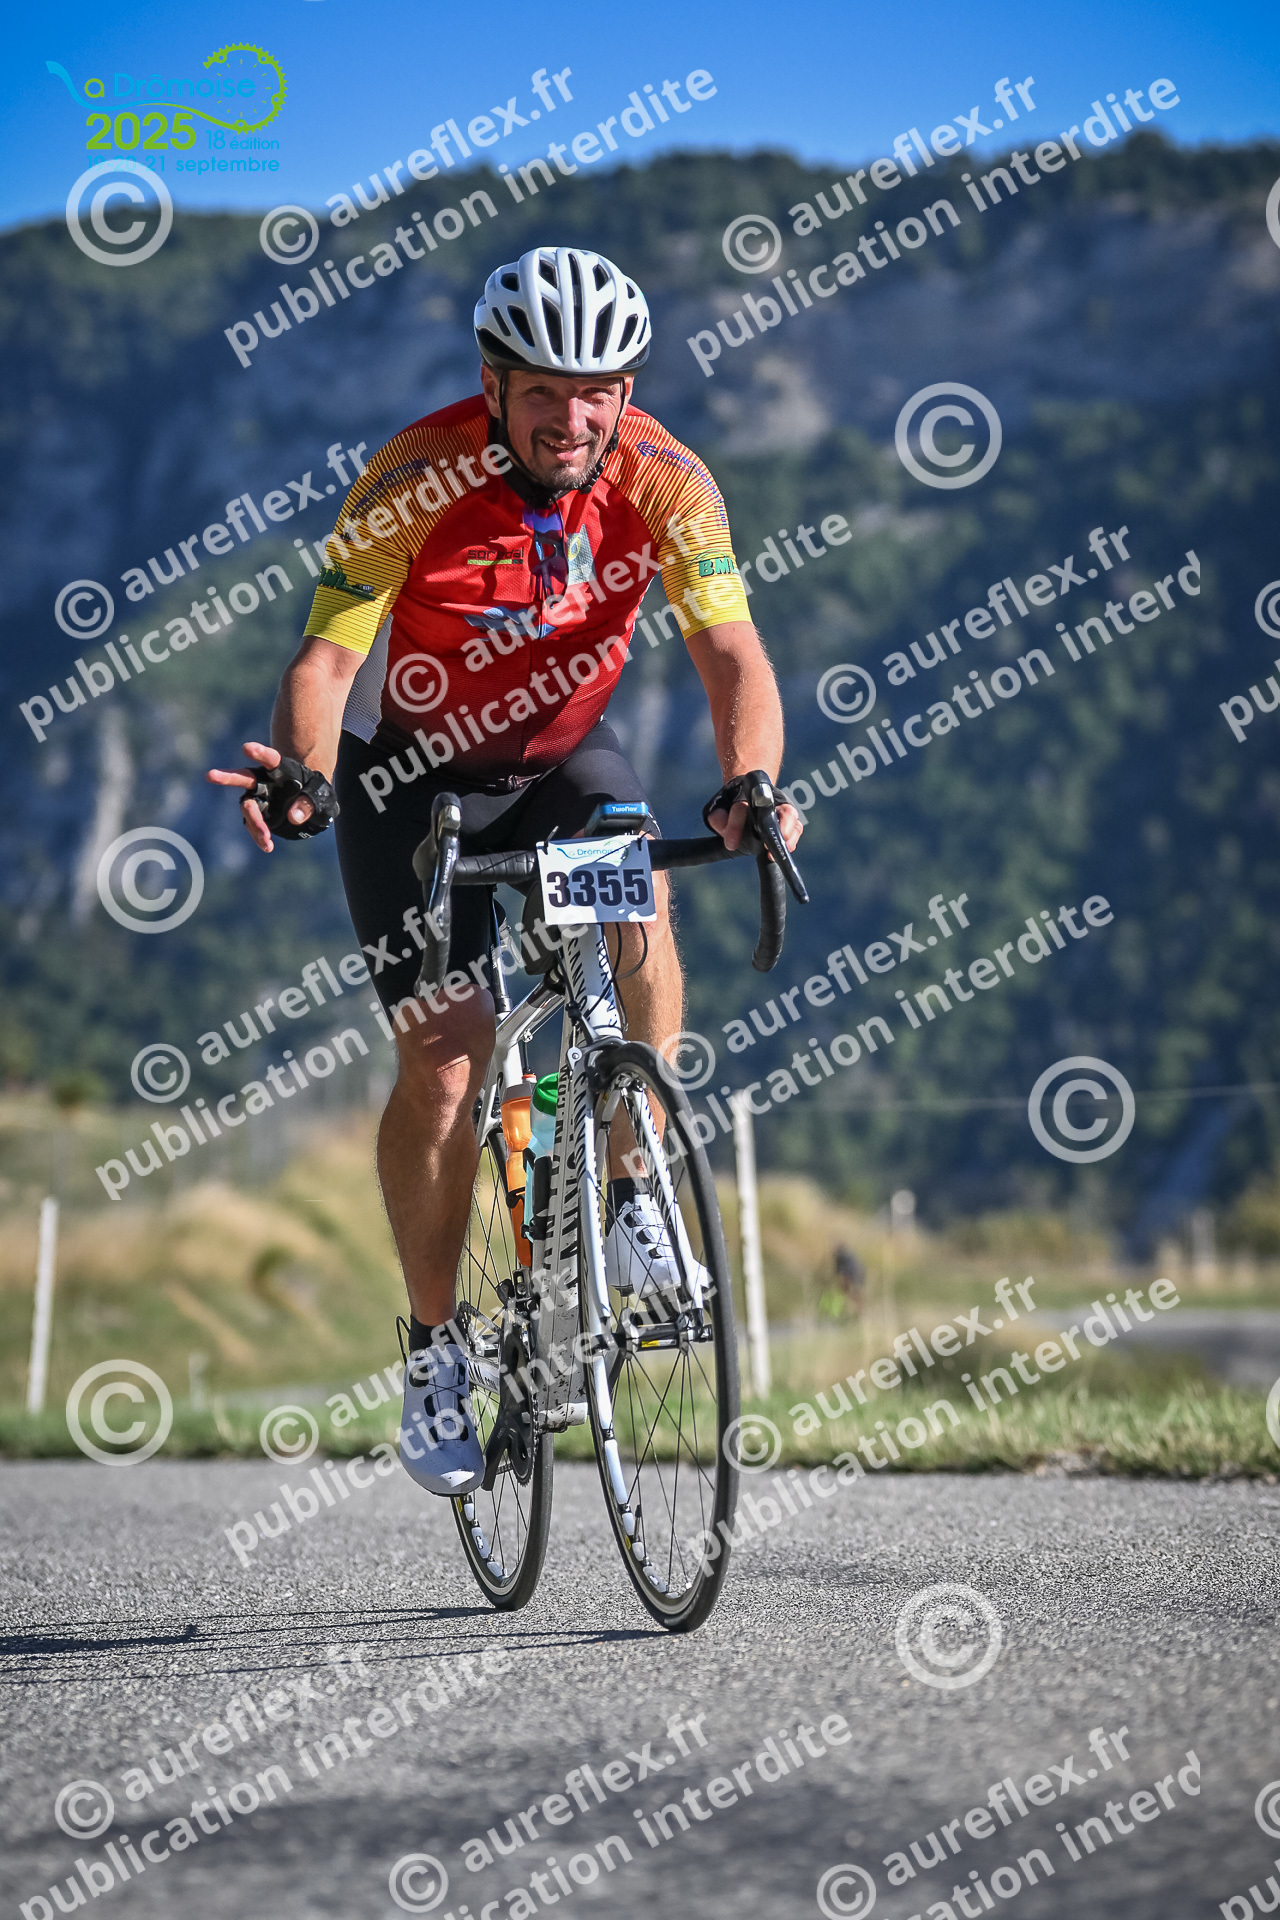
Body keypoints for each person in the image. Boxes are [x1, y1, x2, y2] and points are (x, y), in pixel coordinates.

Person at [209, 245, 802, 1498]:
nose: (570, 419)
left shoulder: (667, 477)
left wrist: (748, 781)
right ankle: (433, 1349)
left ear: (626, 390)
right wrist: (303, 774)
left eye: (596, 393)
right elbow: (324, 662)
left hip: (555, 756)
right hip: (404, 773)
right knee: (448, 1060)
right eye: (542, 392)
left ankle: (631, 1184)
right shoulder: (413, 476)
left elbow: (732, 655)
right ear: (492, 383)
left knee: (636, 905)